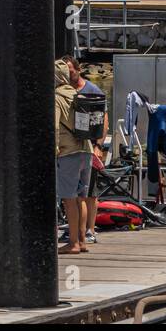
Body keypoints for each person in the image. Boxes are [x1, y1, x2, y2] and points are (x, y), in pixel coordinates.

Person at [55, 58, 94, 254]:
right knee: (81, 197)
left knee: (68, 199)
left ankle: (73, 243)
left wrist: (53, 149)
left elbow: (54, 125)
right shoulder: (78, 94)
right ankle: (82, 240)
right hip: (86, 150)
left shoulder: (56, 97)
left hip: (68, 151)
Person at [66, 56, 105, 246]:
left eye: (70, 70)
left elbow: (102, 119)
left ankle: (90, 229)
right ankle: (77, 231)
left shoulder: (91, 90)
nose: (68, 74)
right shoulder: (63, 91)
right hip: (70, 148)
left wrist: (98, 146)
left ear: (78, 69)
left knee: (90, 192)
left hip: (89, 147)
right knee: (74, 192)